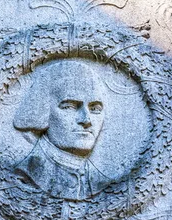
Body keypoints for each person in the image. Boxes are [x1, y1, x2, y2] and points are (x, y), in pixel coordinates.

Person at [13, 60, 110, 201]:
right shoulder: (25, 175)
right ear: (42, 110)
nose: (86, 120)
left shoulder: (101, 183)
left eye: (95, 109)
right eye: (70, 106)